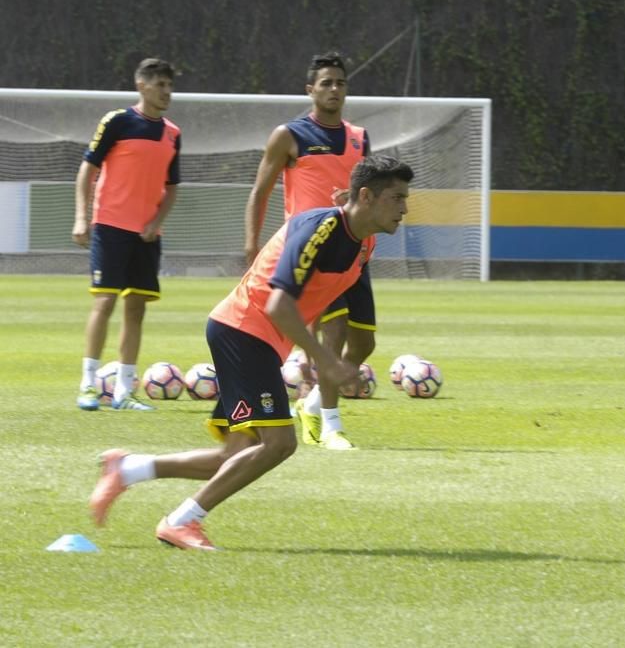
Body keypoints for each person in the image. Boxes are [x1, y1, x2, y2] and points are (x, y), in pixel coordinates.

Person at [89, 155, 413, 550]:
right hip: (243, 332)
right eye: (396, 197)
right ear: (367, 196)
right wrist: (323, 358)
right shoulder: (322, 228)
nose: (404, 207)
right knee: (279, 444)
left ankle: (127, 468)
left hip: (256, 339)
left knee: (234, 454)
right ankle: (180, 521)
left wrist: (336, 352)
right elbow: (278, 304)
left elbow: (320, 297)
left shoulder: (365, 243)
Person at [244, 51, 373, 451]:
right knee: (332, 329)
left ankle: (312, 402)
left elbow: (366, 193)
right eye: (327, 83)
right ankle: (332, 425)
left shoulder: (359, 136)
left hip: (356, 249)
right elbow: (260, 192)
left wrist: (356, 207)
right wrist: (252, 246)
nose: (335, 89)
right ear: (310, 90)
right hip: (313, 251)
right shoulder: (290, 135)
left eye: (341, 83)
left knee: (365, 341)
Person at [72, 58, 181, 412]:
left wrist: (156, 221)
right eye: (160, 84)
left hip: (146, 236)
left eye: (169, 85)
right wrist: (82, 217)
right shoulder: (117, 121)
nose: (166, 91)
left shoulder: (172, 133)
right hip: (110, 226)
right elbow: (87, 170)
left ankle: (123, 391)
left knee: (136, 309)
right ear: (141, 85)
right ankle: (88, 386)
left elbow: (172, 187)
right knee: (104, 303)